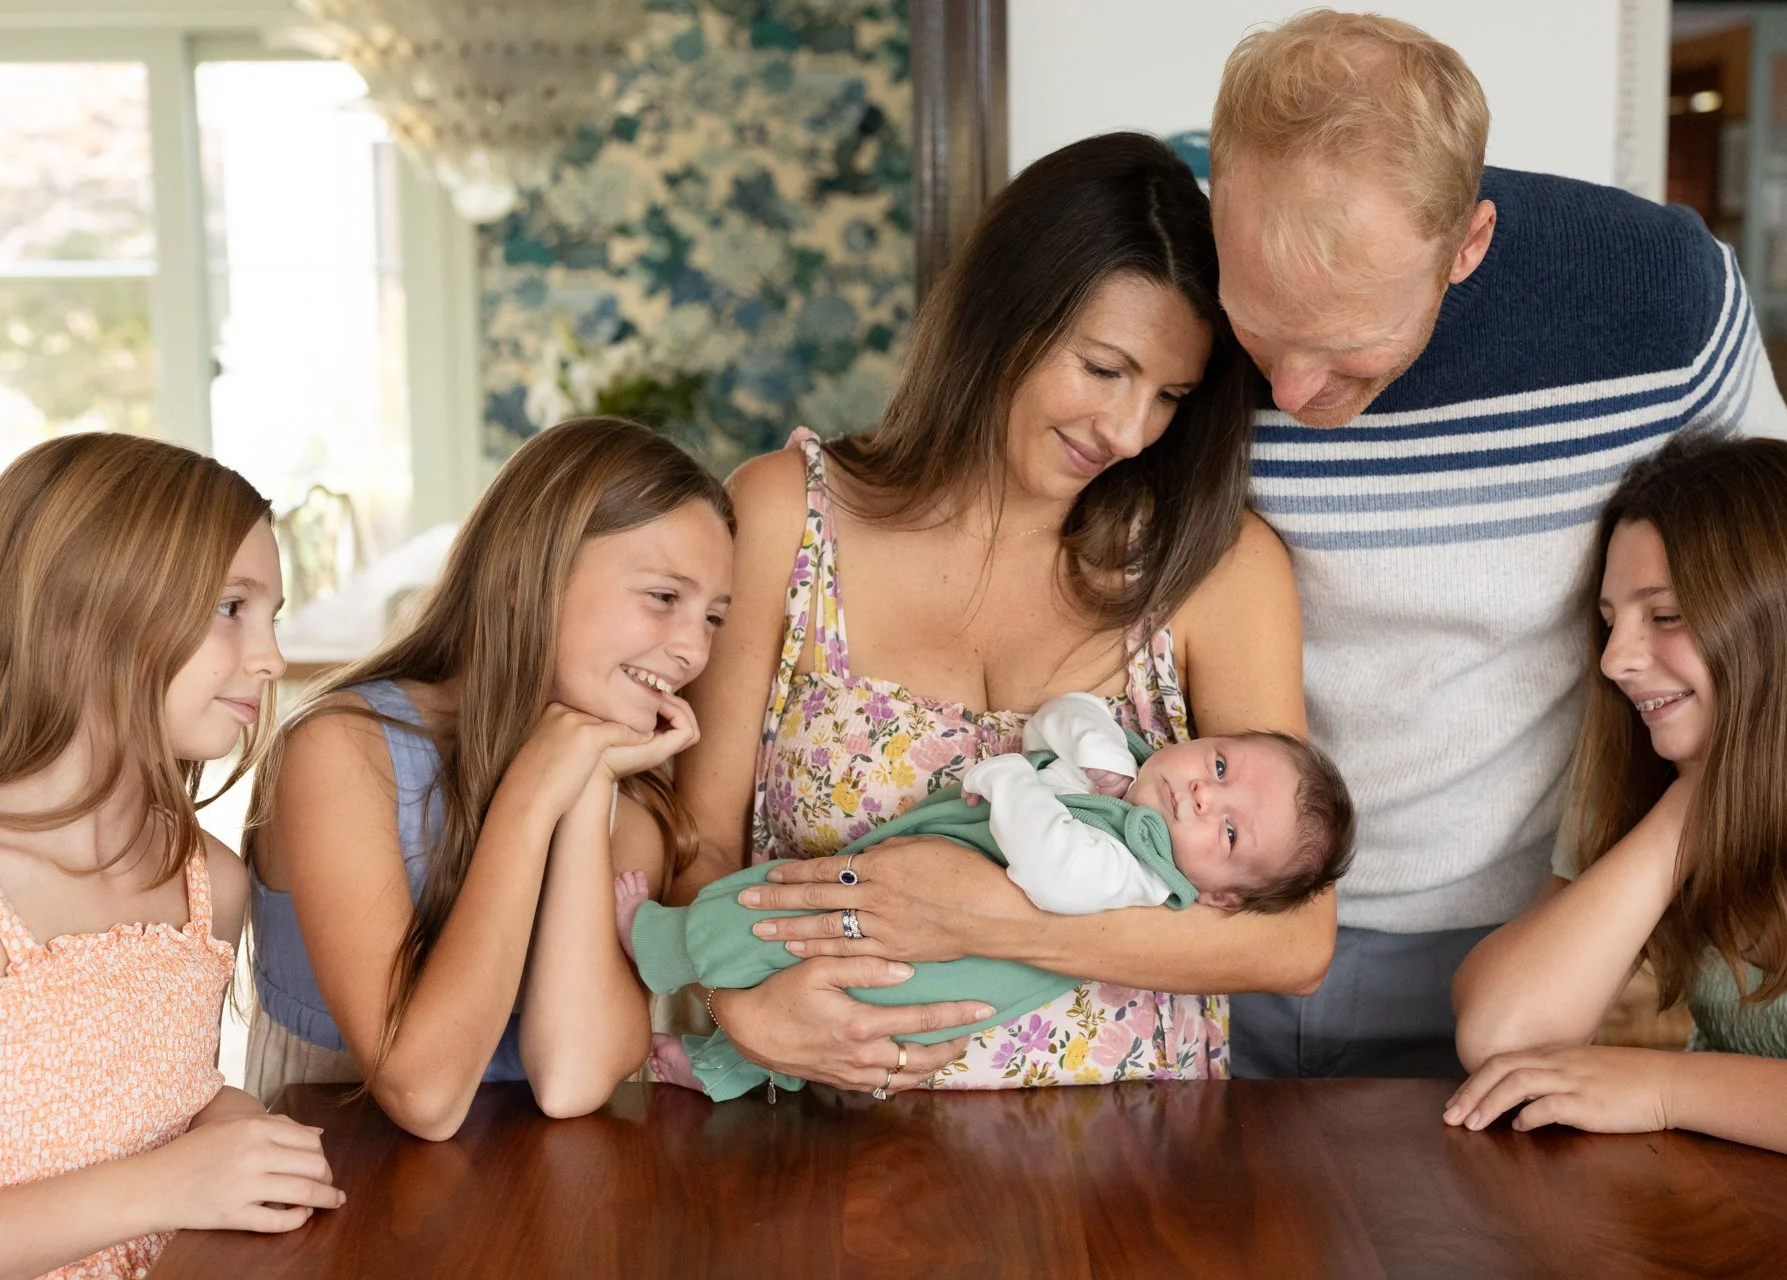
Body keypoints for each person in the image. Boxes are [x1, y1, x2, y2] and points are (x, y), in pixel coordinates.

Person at [1206, 10, 1787, 1077]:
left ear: (1470, 244)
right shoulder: (1166, 275)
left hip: (1510, 946)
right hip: (1206, 925)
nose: (1289, 392)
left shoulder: (1655, 302)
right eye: (1256, 330)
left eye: (1347, 352)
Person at [674, 130, 1330, 1098]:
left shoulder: (1216, 570)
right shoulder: (785, 516)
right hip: (831, 1163)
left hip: (1143, 1177)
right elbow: (699, 841)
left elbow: (1297, 937)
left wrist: (995, 924)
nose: (1129, 430)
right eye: (1104, 368)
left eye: (1170, 397)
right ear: (1007, 316)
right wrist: (742, 1010)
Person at [244, 418, 732, 1139]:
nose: (693, 649)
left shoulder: (630, 794)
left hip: (533, 1198)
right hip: (340, 1184)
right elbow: (426, 1095)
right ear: (519, 579)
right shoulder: (340, 753)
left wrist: (586, 787)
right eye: (664, 597)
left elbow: (572, 1077)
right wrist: (533, 795)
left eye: (715, 617)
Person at [1448, 436, 1787, 1181]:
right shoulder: (1661, 756)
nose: (1615, 660)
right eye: (1612, 621)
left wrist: (1671, 1087)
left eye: (1663, 615)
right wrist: (1693, 807)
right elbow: (1506, 1030)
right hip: (1737, 1220)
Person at [623, 692, 1355, 1099]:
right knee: (800, 984)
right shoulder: (1131, 778)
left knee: (770, 916)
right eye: (1219, 763)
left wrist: (1012, 779)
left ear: (1220, 899)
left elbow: (1050, 866)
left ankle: (655, 946)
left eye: (1229, 834)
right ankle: (720, 1066)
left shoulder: (1137, 871)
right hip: (904, 946)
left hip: (935, 973)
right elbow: (1060, 715)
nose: (1200, 792)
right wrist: (1100, 754)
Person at [0, 435, 342, 1278]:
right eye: (232, 607)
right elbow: (158, 1176)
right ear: (89, 606)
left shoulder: (210, 885)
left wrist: (226, 1116)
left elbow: (150, 1102)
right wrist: (167, 1186)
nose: (270, 658)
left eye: (273, 616)